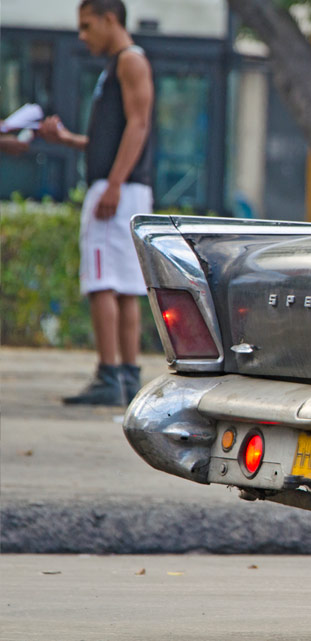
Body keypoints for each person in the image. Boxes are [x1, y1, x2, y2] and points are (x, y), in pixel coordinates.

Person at [38, 0, 153, 406]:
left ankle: (109, 374)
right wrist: (69, 141)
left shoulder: (129, 62)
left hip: (116, 188)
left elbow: (139, 125)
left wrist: (113, 184)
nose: (83, 36)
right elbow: (116, 136)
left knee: (103, 282)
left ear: (110, 19)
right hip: (126, 186)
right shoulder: (121, 65)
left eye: (87, 26)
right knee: (124, 286)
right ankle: (127, 375)